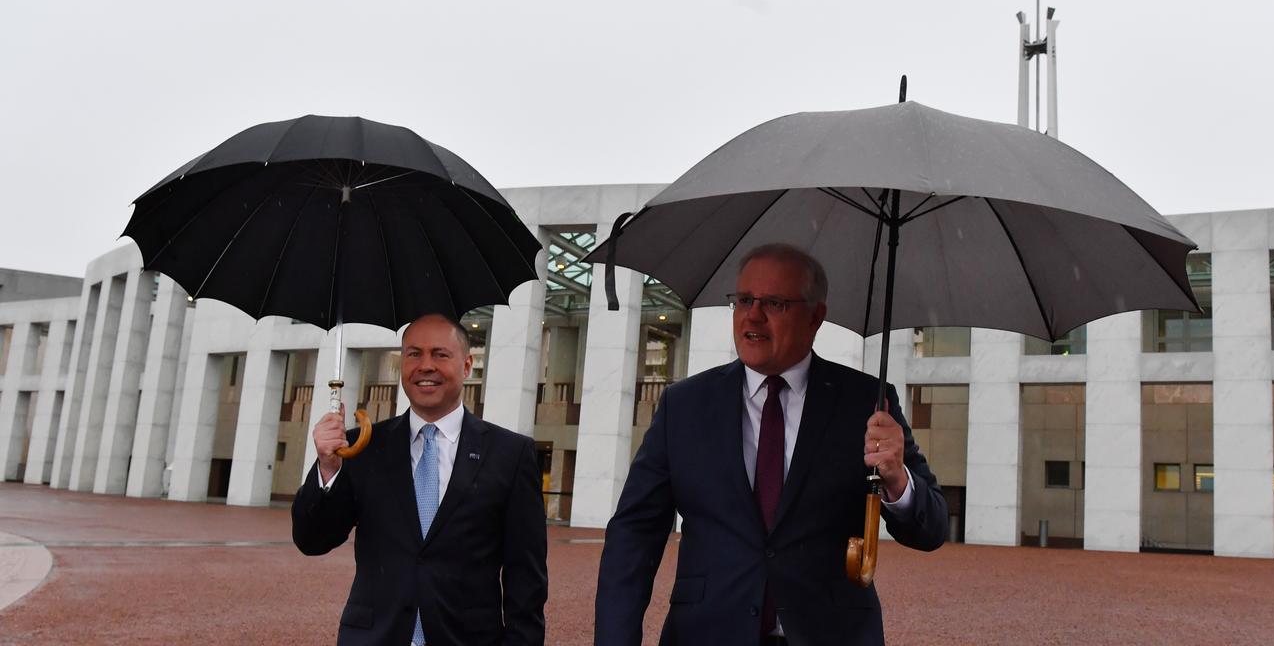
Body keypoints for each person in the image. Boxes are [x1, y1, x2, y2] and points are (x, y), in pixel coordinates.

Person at [595, 244, 948, 646]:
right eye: (744, 300)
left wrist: (897, 480)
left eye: (775, 303)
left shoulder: (865, 402)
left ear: (816, 317)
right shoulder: (684, 405)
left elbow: (932, 528)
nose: (753, 316)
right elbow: (634, 536)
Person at [293, 313, 547, 646]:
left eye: (440, 354)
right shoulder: (362, 448)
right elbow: (312, 540)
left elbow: (526, 578)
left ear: (467, 366)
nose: (425, 365)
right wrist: (327, 468)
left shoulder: (510, 454)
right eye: (414, 354)